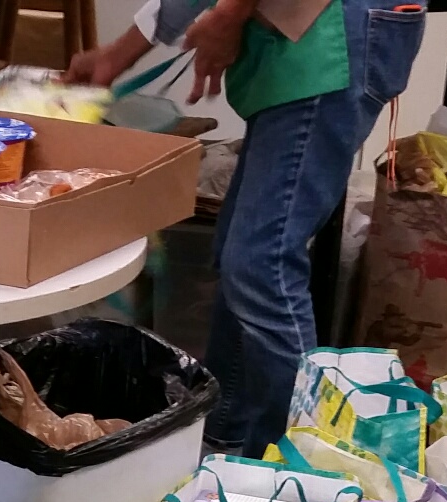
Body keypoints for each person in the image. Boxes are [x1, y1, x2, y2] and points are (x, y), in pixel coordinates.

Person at [72, 0, 425, 455]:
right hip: (311, 36)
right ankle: (225, 437)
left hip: (329, 38)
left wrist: (229, 14)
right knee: (242, 252)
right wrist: (119, 55)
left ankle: (293, 460)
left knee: (261, 262)